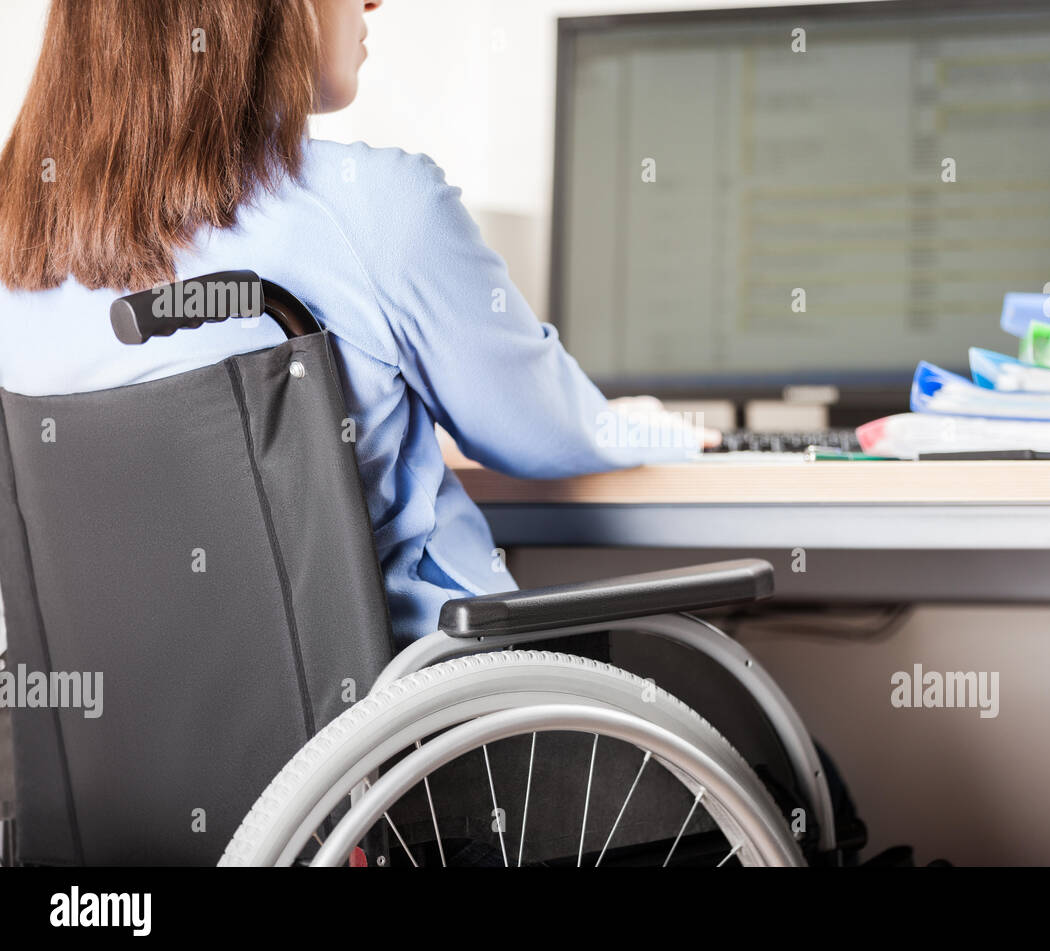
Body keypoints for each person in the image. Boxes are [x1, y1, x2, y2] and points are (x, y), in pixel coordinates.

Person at [0, 0, 718, 645]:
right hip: (420, 753)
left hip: (138, 778)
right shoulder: (372, 207)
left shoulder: (18, 249)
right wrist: (652, 426)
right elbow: (539, 434)